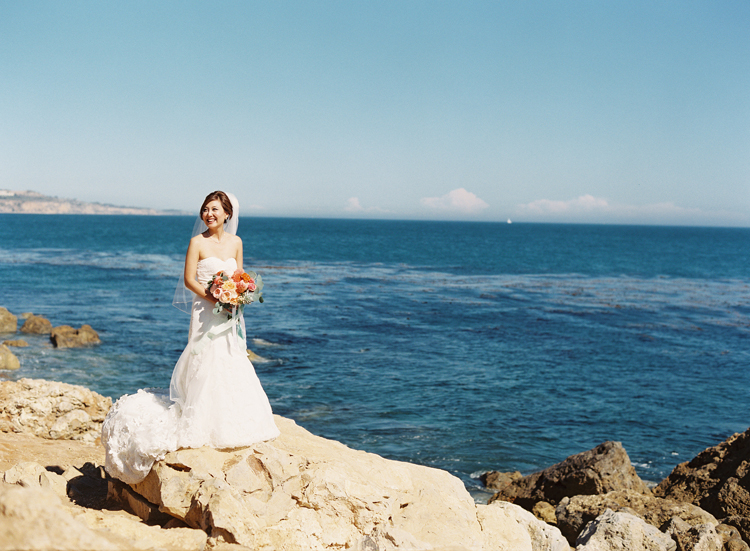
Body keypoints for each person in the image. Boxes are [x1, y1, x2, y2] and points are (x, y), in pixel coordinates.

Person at [102, 191, 279, 484]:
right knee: (205, 356)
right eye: (205, 209)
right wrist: (211, 294)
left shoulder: (236, 242)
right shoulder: (197, 242)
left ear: (227, 214)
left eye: (215, 209)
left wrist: (238, 294)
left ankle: (234, 418)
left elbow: (241, 275)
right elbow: (189, 279)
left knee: (230, 355)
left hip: (228, 310)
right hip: (204, 309)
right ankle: (201, 418)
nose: (209, 214)